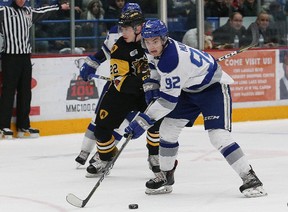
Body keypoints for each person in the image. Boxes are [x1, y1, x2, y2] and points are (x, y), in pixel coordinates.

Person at [124, 19, 267, 198]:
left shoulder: (172, 60)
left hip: (212, 88)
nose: (151, 45)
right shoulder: (152, 49)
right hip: (189, 88)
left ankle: (250, 177)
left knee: (218, 136)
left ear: (163, 39)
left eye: (155, 41)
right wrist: (152, 85)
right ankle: (165, 176)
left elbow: (168, 102)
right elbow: (153, 65)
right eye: (148, 41)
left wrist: (142, 122)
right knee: (167, 130)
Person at [75, 4, 161, 178]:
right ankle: (106, 157)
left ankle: (155, 156)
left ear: (138, 28)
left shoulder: (154, 40)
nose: (123, 32)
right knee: (101, 128)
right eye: (122, 28)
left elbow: (168, 65)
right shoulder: (120, 47)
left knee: (157, 121)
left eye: (126, 29)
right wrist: (143, 81)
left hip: (149, 92)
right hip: (126, 92)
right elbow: (121, 81)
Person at [0, 0, 69, 139]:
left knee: (25, 91)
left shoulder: (28, 12)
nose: (21, 0)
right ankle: (3, 126)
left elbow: (43, 12)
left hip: (25, 57)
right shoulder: (4, 11)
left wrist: (59, 7)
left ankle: (23, 126)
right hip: (10, 56)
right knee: (8, 91)